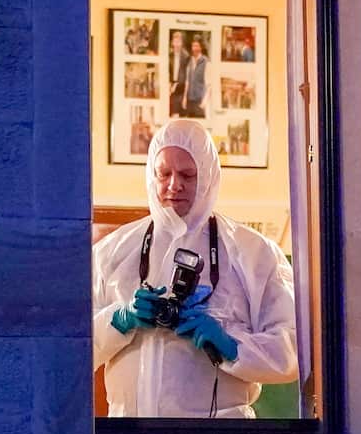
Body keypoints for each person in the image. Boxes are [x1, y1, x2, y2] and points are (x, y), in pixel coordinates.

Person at [92, 119, 297, 417]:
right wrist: (118, 319)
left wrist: (232, 345)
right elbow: (66, 345)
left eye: (187, 174)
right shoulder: (113, 251)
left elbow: (293, 347)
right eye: (165, 174)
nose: (175, 185)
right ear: (152, 175)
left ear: (209, 176)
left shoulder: (253, 254)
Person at [182, 37, 208, 118]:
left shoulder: (206, 61)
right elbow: (187, 81)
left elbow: (209, 84)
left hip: (200, 100)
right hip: (190, 99)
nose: (194, 48)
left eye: (197, 46)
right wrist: (185, 98)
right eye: (193, 46)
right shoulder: (190, 61)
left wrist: (205, 101)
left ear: (200, 47)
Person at [167, 31, 189, 117]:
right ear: (172, 42)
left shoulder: (186, 57)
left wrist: (176, 85)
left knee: (178, 114)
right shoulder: (169, 56)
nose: (176, 44)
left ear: (182, 43)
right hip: (170, 88)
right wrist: (169, 85)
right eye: (175, 41)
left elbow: (186, 76)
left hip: (181, 89)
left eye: (178, 42)